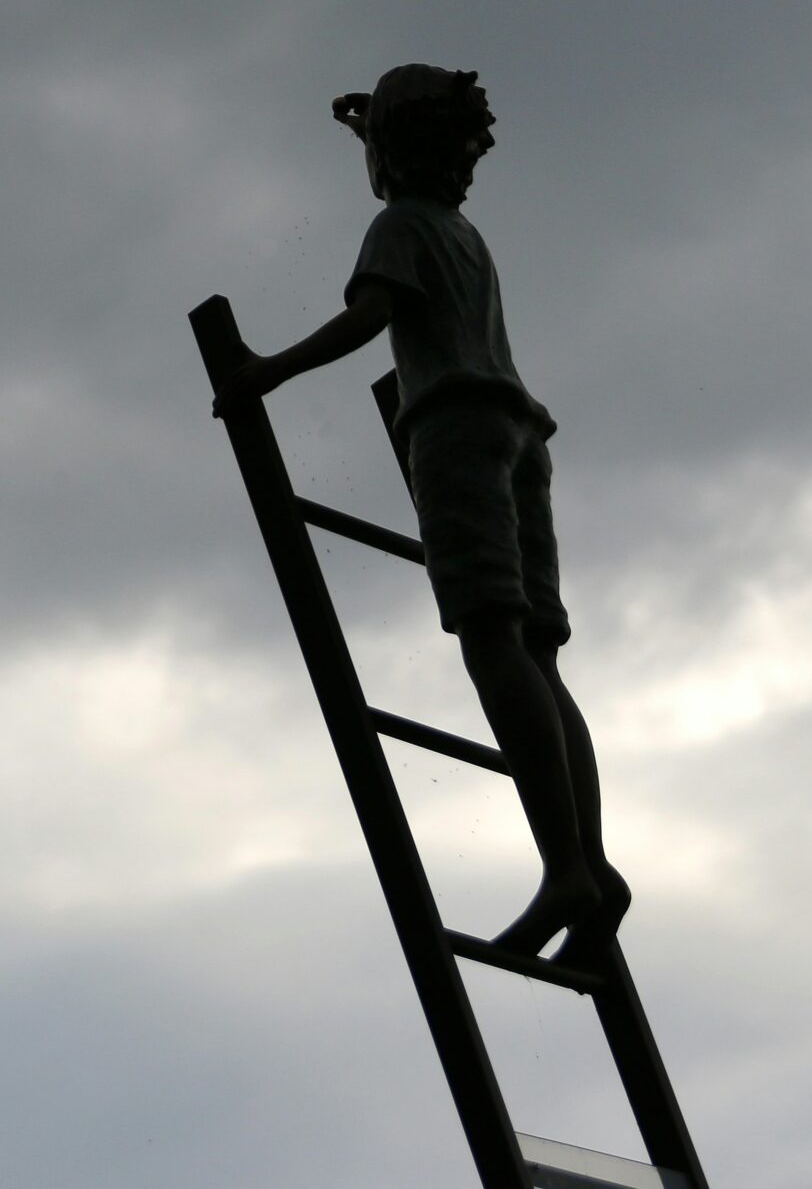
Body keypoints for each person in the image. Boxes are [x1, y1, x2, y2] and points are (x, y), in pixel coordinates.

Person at [212, 66, 629, 963]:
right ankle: (589, 860)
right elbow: (401, 168)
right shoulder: (460, 231)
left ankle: (568, 869)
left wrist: (267, 371)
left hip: (455, 429)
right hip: (522, 433)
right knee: (538, 659)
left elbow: (370, 317)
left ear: (390, 154)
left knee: (490, 642)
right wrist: (378, 124)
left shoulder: (398, 226)